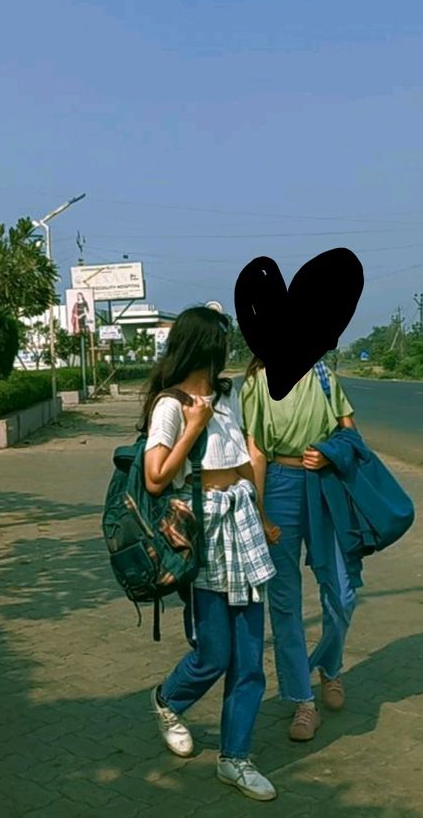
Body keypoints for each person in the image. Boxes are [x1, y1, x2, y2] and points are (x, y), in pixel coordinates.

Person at [143, 306, 280, 802]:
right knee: (214, 652)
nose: (227, 349)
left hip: (242, 524)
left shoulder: (228, 396)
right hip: (204, 535)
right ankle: (167, 699)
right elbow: (156, 477)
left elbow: (245, 461)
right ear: (203, 345)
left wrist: (262, 518)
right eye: (221, 340)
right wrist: (194, 426)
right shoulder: (171, 405)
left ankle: (235, 758)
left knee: (249, 659)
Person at [241, 356, 357, 743]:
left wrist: (328, 453)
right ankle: (303, 701)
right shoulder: (257, 382)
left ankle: (330, 664)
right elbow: (255, 451)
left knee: (341, 593)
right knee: (286, 602)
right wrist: (259, 513)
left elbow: (351, 435)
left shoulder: (325, 375)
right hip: (278, 488)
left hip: (324, 486)